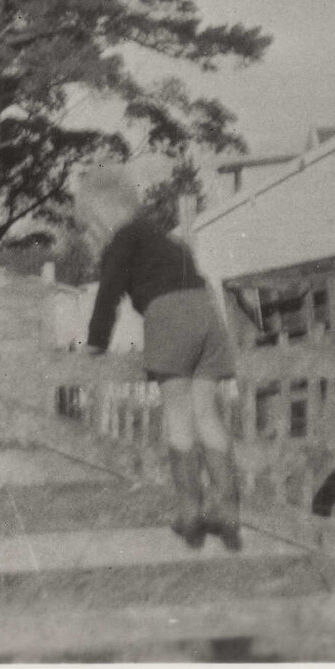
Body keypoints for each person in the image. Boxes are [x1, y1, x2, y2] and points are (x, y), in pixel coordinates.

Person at [73, 166, 241, 551]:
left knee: (178, 414)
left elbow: (108, 296)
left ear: (103, 214)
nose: (94, 236)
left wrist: (95, 344)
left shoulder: (122, 242)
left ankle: (189, 512)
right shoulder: (168, 242)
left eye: (92, 227)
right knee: (206, 412)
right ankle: (229, 508)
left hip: (169, 316)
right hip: (206, 313)